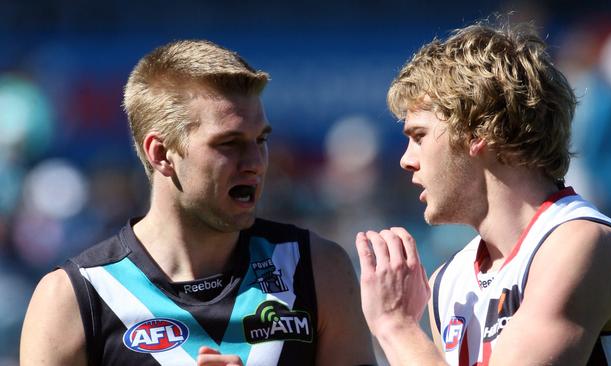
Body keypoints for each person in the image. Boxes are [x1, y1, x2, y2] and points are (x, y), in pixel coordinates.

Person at [20, 39, 375, 366]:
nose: (256, 161)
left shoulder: (316, 268)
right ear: (161, 154)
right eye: (229, 143)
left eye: (261, 139)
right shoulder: (73, 297)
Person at [356, 20, 611, 366]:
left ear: (478, 131)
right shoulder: (448, 282)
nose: (406, 160)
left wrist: (396, 326)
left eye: (419, 136)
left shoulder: (580, 245)